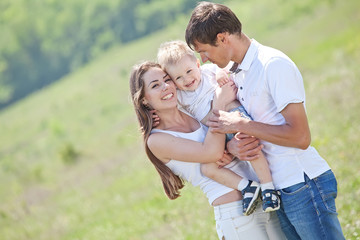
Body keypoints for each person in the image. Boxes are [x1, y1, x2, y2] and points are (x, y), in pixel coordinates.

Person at [185, 2, 345, 240]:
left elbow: (300, 137)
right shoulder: (234, 73)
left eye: (204, 51)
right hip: (278, 191)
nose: (204, 60)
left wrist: (239, 125)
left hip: (303, 185)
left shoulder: (273, 64)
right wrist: (233, 146)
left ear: (222, 38)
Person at [129, 61, 286, 239]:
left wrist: (229, 147)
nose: (166, 87)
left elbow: (218, 143)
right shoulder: (156, 140)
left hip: (263, 198)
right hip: (236, 214)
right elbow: (211, 152)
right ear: (143, 99)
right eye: (155, 85)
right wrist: (219, 103)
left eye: (167, 80)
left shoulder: (190, 109)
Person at [157, 40, 280, 216]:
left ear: (197, 64)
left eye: (189, 71)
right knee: (207, 169)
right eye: (178, 78)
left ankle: (269, 188)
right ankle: (248, 187)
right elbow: (168, 107)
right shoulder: (180, 96)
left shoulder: (208, 73)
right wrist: (156, 115)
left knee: (248, 147)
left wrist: (221, 74)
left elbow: (225, 70)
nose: (187, 79)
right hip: (216, 132)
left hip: (232, 116)